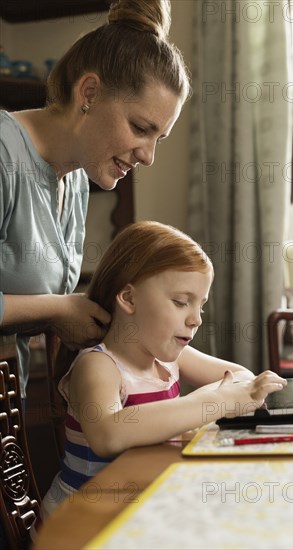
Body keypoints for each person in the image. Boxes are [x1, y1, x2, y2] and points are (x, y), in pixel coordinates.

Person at [0, 0, 191, 398]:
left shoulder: (75, 181)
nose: (148, 156)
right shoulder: (4, 153)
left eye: (159, 138)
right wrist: (56, 310)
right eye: (140, 128)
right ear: (89, 92)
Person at [39, 220, 287, 521]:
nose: (196, 319)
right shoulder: (98, 366)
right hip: (83, 521)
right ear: (129, 298)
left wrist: (221, 398)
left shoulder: (170, 359)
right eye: (181, 302)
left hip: (143, 509)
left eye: (201, 306)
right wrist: (216, 402)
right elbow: (108, 434)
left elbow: (244, 378)